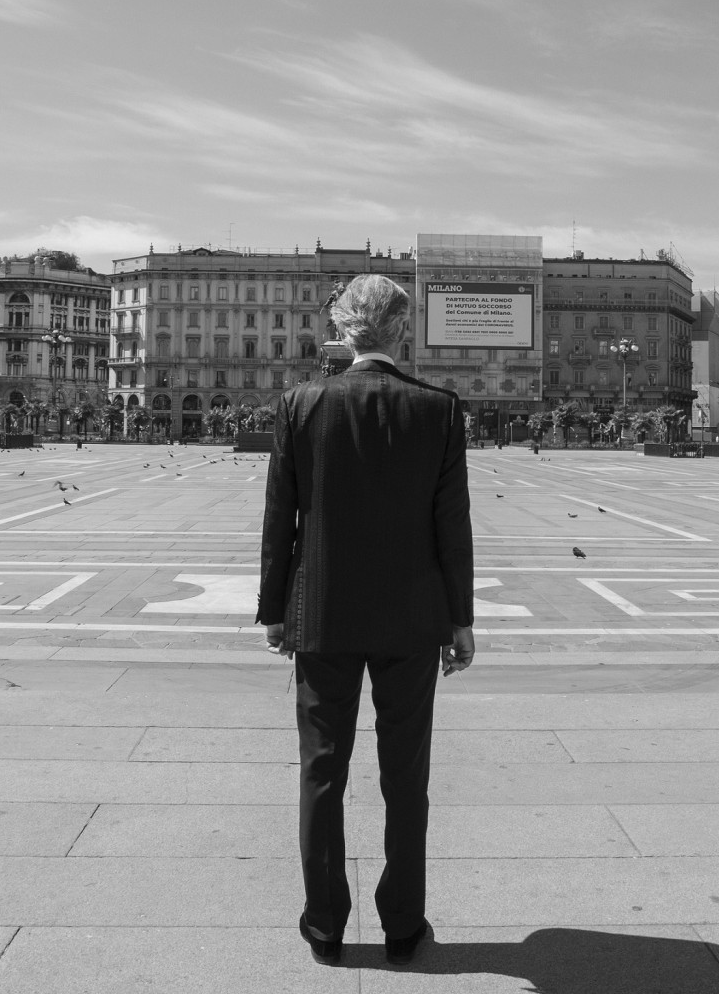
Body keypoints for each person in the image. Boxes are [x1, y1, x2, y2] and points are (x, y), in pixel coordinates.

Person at [258, 273, 474, 969]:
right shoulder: (438, 409)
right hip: (414, 619)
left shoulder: (301, 405)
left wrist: (273, 611)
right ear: (401, 332)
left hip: (322, 615)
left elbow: (280, 523)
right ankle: (403, 926)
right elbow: (453, 527)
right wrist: (460, 620)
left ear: (344, 329)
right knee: (405, 776)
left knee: (322, 770)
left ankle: (324, 925)